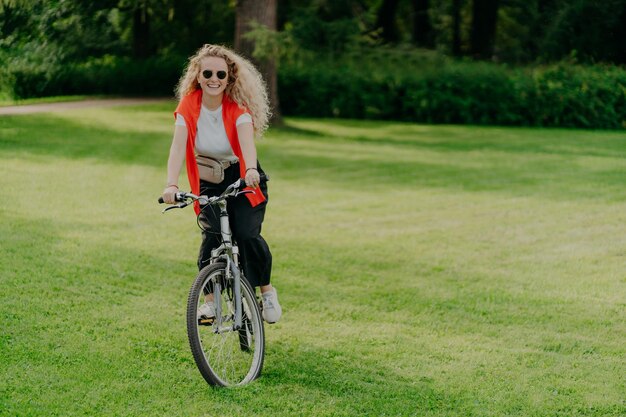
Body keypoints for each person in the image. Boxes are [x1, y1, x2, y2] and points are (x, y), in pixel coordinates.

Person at [161, 44, 281, 324]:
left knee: (246, 233)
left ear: (229, 79)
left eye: (220, 74)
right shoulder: (189, 105)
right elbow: (178, 147)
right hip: (209, 178)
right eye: (207, 73)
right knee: (212, 235)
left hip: (242, 175)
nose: (214, 79)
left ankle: (266, 291)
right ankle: (211, 304)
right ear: (198, 76)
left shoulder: (237, 110)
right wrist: (170, 184)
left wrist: (250, 168)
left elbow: (246, 142)